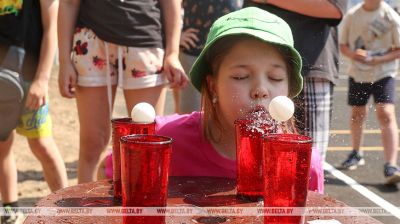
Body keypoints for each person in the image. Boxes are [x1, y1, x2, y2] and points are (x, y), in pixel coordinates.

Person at [97, 7, 325, 193]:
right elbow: (107, 171)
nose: (261, 90)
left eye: (275, 77)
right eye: (241, 76)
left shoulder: (304, 164)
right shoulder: (163, 141)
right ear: (213, 86)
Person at [58, 0, 188, 183]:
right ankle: (85, 209)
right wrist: (64, 61)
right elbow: (69, 3)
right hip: (91, 40)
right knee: (93, 142)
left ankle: (143, 206)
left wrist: (172, 53)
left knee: (146, 141)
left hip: (145, 40)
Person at [244, 0, 347, 162]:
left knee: (308, 165)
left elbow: (334, 9)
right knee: (254, 161)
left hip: (310, 64)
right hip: (256, 62)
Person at [0, 0, 68, 223]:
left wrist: (42, 79)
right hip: (2, 79)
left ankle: (65, 208)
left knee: (42, 145)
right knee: (2, 146)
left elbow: (51, 30)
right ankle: (10, 211)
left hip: (30, 78)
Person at [339, 0, 400, 185]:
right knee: (358, 113)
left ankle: (391, 165)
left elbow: (398, 49)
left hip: (383, 73)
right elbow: (343, 45)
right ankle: (356, 152)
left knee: (386, 113)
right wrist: (353, 55)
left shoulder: (391, 17)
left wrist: (379, 59)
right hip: (358, 73)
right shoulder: (352, 16)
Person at [174, 0, 242, 114]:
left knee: (229, 110)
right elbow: (169, 4)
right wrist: (176, 37)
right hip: (193, 50)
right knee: (190, 112)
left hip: (231, 51)